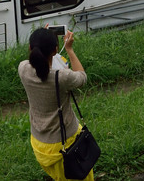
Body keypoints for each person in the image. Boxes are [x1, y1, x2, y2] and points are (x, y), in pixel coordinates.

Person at [18, 28, 92, 181]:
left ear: (30, 48)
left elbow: (37, 61)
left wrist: (41, 38)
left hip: (39, 143)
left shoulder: (23, 69)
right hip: (65, 144)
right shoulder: (62, 77)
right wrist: (70, 49)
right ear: (55, 50)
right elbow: (82, 77)